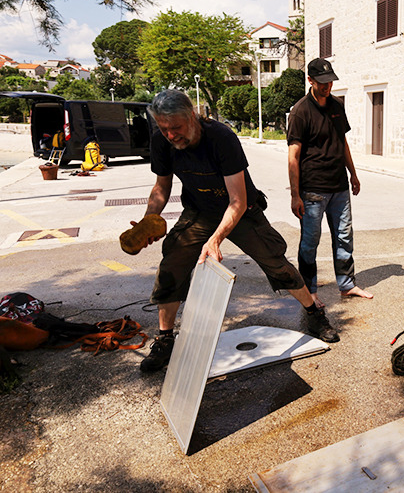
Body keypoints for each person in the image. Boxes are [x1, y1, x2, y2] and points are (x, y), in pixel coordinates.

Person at [138, 90, 338, 373]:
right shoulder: (162, 141)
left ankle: (314, 313)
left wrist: (215, 239)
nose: (170, 135)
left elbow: (238, 201)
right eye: (164, 128)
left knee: (275, 262)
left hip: (242, 211)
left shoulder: (221, 138)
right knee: (173, 262)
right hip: (199, 210)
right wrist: (149, 220)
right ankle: (165, 339)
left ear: (192, 116)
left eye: (176, 128)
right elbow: (161, 187)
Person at [287, 58, 373, 308]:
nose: (328, 86)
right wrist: (295, 194)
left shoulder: (337, 105)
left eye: (330, 81)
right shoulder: (300, 111)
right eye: (322, 82)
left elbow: (342, 142)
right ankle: (309, 290)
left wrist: (353, 174)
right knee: (310, 241)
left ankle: (347, 285)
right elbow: (293, 156)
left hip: (339, 187)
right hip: (313, 188)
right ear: (310, 80)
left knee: (345, 236)